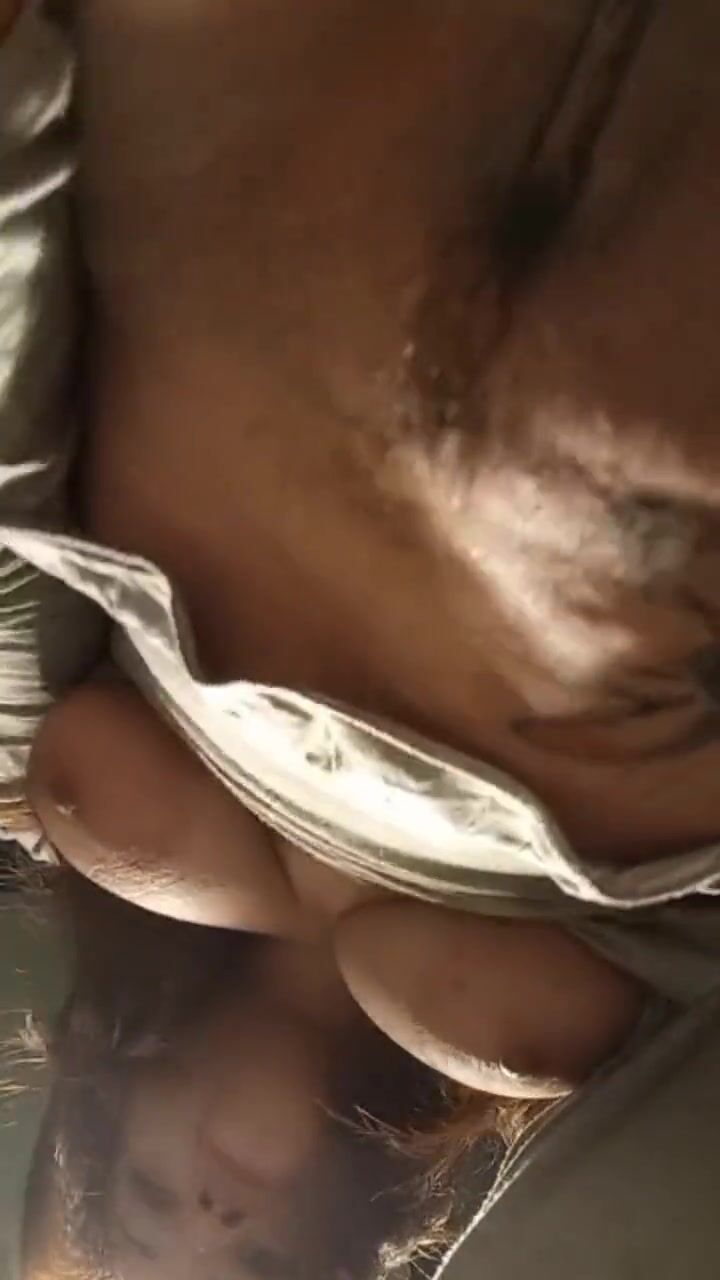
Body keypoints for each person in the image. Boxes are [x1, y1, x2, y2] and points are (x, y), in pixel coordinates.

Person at [4, 0, 720, 1276]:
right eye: (254, 1266)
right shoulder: (579, 1069)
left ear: (103, 1102)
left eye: (148, 1195)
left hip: (255, 194)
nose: (213, 1213)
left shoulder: (47, 791)